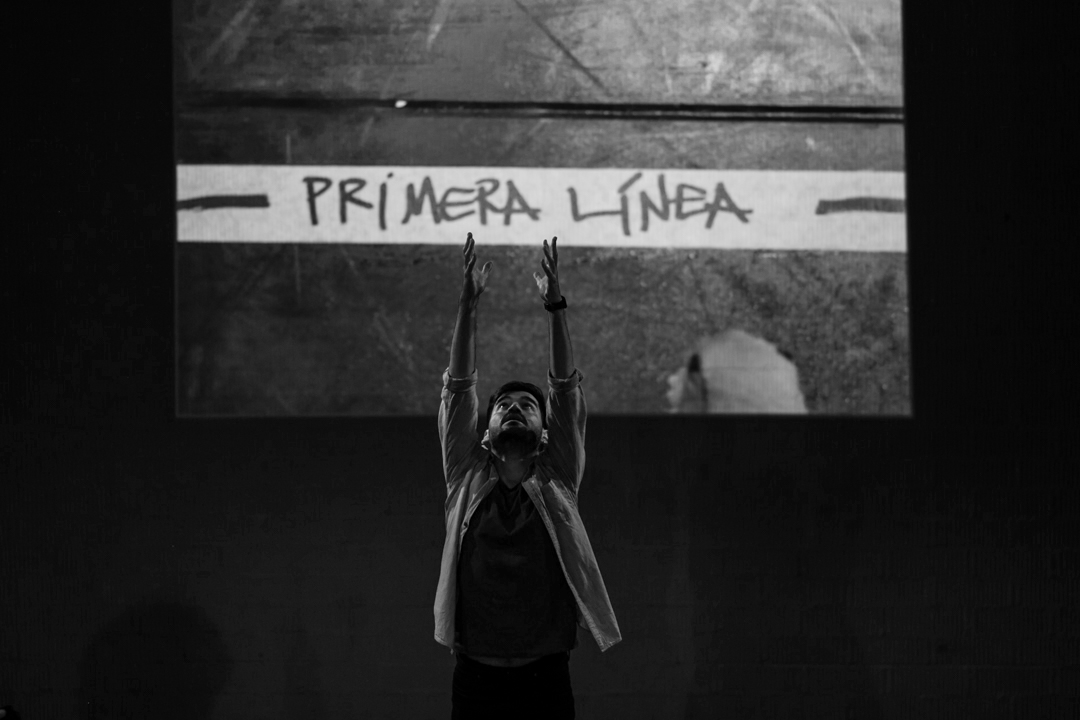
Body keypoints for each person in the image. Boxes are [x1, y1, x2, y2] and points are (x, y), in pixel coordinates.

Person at [434, 233, 621, 719]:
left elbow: (564, 390)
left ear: (544, 436)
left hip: (545, 678)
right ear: (486, 431)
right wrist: (468, 306)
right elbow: (459, 388)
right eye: (503, 406)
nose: (514, 409)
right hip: (476, 678)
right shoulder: (466, 475)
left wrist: (555, 307)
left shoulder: (558, 478)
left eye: (526, 406)